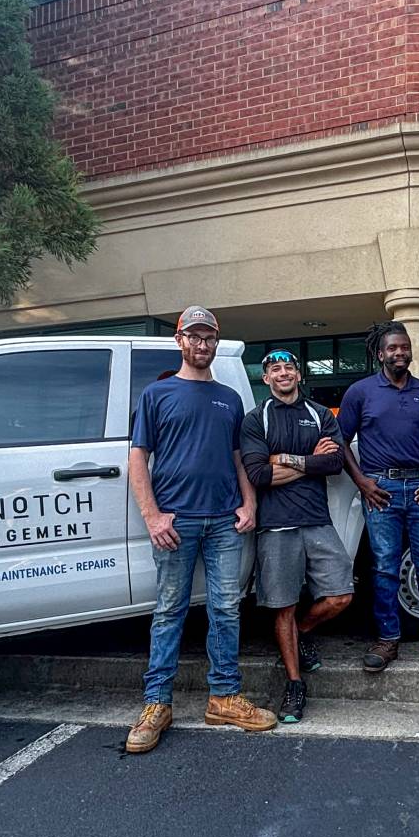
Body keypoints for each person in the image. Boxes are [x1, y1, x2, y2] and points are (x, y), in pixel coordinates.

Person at [125, 305, 276, 754]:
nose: (202, 344)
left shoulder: (228, 398)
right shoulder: (158, 394)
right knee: (170, 610)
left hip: (226, 521)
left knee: (227, 609)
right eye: (194, 336)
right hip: (177, 521)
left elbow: (237, 458)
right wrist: (152, 516)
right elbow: (138, 458)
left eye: (209, 337)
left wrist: (249, 503)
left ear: (215, 341)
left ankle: (224, 697)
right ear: (180, 340)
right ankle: (156, 704)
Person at [339, 321, 419, 673]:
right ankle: (387, 641)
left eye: (405, 347)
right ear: (380, 354)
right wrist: (362, 483)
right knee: (384, 567)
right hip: (380, 490)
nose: (400, 353)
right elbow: (340, 444)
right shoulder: (360, 393)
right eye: (393, 348)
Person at [240, 349, 355, 724]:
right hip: (276, 526)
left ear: (299, 376)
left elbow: (335, 463)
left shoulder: (319, 414)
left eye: (289, 367)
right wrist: (309, 460)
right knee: (283, 606)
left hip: (316, 520)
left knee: (341, 595)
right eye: (276, 369)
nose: (283, 373)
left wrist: (285, 459)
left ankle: (302, 632)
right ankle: (294, 683)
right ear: (266, 378)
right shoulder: (257, 418)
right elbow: (257, 474)